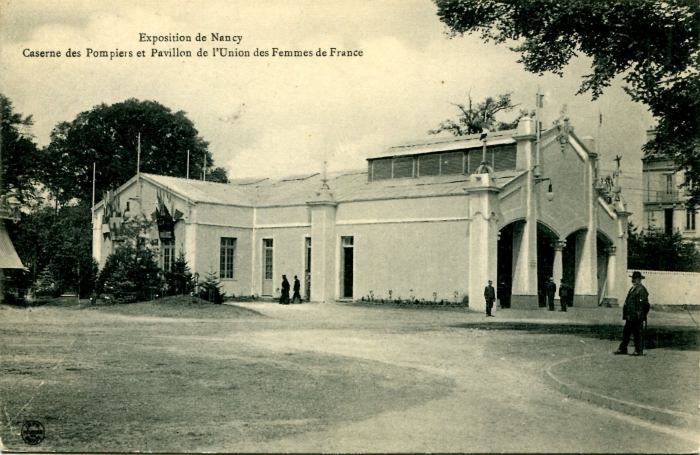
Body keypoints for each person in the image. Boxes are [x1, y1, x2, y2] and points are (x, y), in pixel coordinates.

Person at [614, 271, 650, 356]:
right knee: (626, 332)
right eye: (633, 278)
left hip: (636, 316)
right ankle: (623, 348)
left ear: (640, 279)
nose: (634, 280)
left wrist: (640, 314)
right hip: (630, 316)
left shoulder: (641, 289)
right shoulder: (633, 288)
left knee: (637, 333)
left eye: (636, 278)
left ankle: (639, 350)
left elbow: (644, 304)